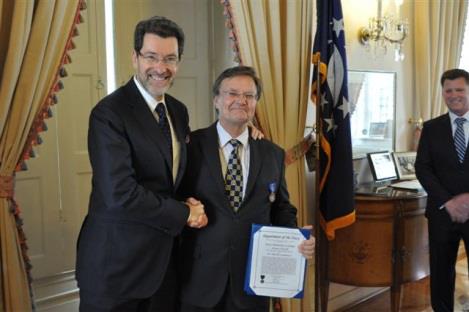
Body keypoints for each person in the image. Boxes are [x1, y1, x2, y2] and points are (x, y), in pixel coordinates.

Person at [75, 16, 207, 312]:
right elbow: (120, 193)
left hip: (163, 266)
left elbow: (176, 175)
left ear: (179, 62)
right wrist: (184, 212)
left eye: (170, 58)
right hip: (116, 267)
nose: (161, 68)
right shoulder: (109, 113)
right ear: (135, 58)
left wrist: (249, 133)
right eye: (151, 57)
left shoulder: (177, 110)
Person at [178, 66, 315, 312]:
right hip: (199, 278)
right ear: (217, 100)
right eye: (232, 93)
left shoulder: (272, 154)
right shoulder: (190, 146)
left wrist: (295, 239)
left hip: (254, 282)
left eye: (249, 96)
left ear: (255, 103)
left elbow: (282, 208)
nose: (241, 101)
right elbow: (175, 200)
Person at [415, 68, 469, 311]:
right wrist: (448, 202)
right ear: (443, 93)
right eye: (449, 90)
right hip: (441, 213)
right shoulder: (431, 128)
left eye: (460, 89)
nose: (454, 95)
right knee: (440, 273)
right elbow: (423, 169)